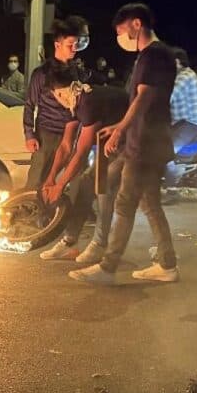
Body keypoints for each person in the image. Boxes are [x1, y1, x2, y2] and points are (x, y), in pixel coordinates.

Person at [69, 3, 179, 284]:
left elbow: (143, 98)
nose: (120, 37)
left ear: (136, 24)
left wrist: (120, 129)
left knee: (125, 202)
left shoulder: (153, 55)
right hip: (149, 140)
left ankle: (108, 267)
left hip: (145, 144)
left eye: (121, 30)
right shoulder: (156, 55)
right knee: (150, 204)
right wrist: (120, 127)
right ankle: (167, 265)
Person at [37, 67, 130, 264]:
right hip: (110, 142)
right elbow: (65, 146)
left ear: (61, 92)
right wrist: (51, 179)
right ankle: (69, 242)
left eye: (55, 95)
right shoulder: (73, 102)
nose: (56, 99)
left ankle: (99, 245)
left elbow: (81, 153)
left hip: (136, 140)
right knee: (87, 184)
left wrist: (60, 186)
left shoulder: (88, 102)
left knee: (104, 186)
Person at [22, 16, 89, 189]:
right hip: (47, 135)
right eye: (69, 45)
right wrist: (29, 135)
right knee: (37, 181)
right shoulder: (42, 74)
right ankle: (32, 206)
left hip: (73, 134)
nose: (74, 49)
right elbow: (29, 105)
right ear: (57, 45)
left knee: (76, 180)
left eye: (76, 44)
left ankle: (69, 206)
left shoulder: (77, 73)